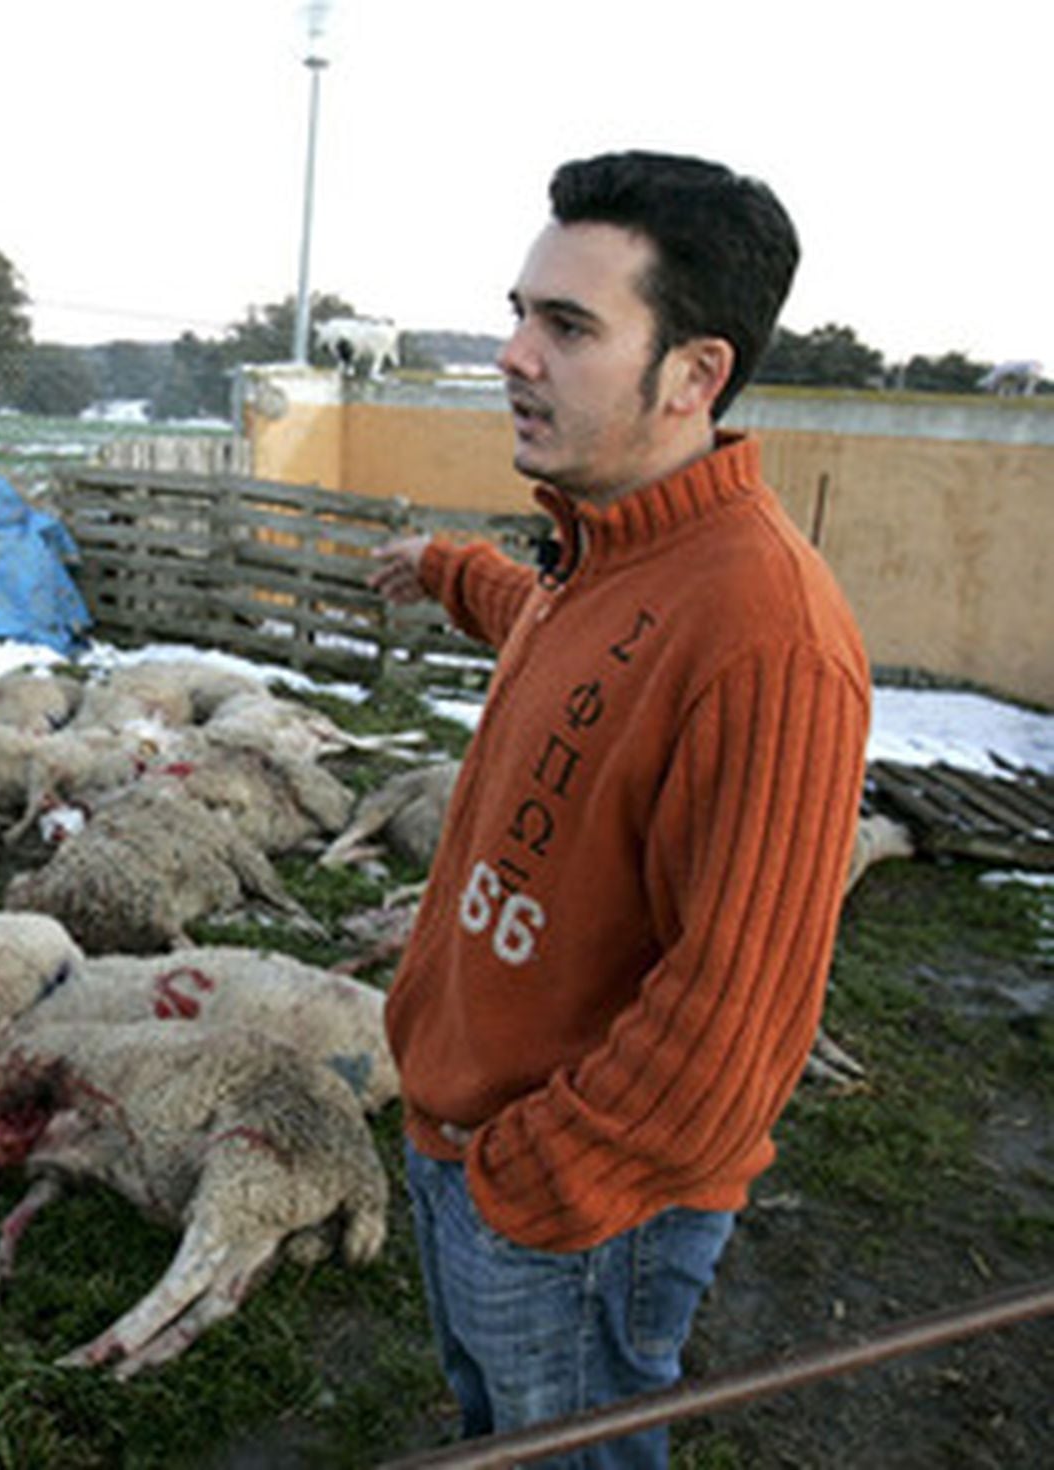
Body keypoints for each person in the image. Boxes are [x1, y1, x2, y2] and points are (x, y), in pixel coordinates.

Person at [370, 151, 869, 1467]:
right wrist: (443, 569)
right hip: (464, 1141)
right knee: (494, 1433)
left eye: (569, 327)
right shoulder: (603, 549)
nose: (513, 353)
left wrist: (530, 1182)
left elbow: (737, 1018)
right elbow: (556, 637)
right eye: (522, 310)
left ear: (694, 374)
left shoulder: (766, 633)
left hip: (577, 1203)